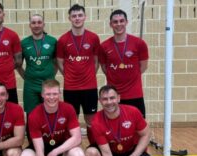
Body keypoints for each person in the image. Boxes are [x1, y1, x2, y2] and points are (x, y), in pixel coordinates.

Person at [19, 79, 85, 156]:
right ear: (42, 95)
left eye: (55, 94)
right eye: (48, 94)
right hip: (41, 149)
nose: (52, 97)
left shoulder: (68, 108)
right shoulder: (34, 115)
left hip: (61, 148)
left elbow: (77, 138)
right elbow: (39, 151)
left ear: (59, 94)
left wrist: (56, 152)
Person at [56, 4, 100, 144]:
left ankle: (94, 148)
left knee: (91, 120)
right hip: (71, 88)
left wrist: (89, 76)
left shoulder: (93, 38)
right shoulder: (63, 40)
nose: (77, 18)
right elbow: (60, 62)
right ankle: (71, 149)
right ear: (69, 18)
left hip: (90, 87)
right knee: (71, 119)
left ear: (85, 17)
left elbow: (96, 62)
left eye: (80, 15)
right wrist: (70, 75)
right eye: (74, 16)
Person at [17, 14, 57, 148]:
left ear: (43, 24)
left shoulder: (52, 41)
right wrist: (26, 77)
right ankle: (33, 146)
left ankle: (50, 145)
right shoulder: (24, 43)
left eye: (39, 22)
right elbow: (18, 64)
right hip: (31, 86)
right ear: (30, 25)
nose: (36, 25)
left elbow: (56, 62)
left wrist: (50, 78)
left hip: (48, 86)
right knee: (32, 117)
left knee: (50, 114)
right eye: (33, 23)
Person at [99, 9, 149, 118]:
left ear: (127, 22)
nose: (119, 24)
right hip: (114, 96)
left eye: (121, 21)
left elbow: (143, 67)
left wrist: (130, 74)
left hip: (135, 94)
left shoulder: (139, 43)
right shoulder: (104, 46)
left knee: (138, 127)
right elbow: (104, 68)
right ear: (110, 24)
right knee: (115, 127)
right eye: (115, 22)